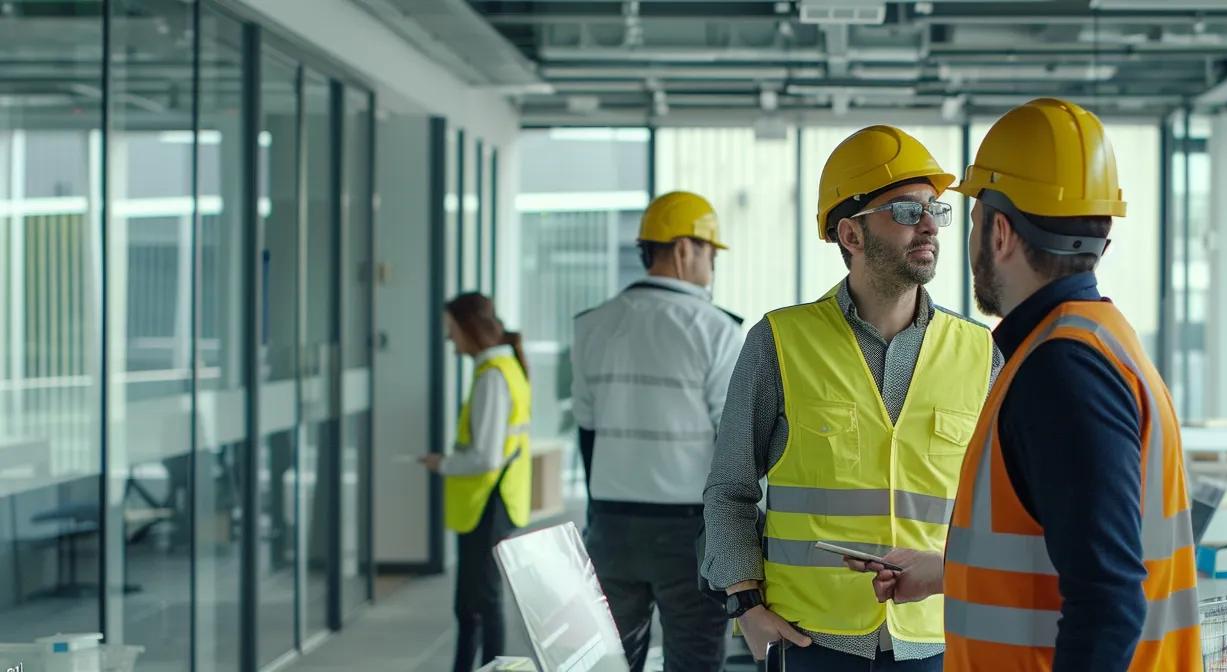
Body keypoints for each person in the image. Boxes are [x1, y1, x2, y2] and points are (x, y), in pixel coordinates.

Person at [843, 98, 1202, 671]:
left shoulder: (1064, 371)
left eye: (974, 217)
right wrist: (944, 572)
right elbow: (1052, 552)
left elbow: (1107, 602)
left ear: (1001, 233)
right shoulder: (1096, 340)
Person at [702, 125, 1002, 671]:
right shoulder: (779, 342)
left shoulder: (981, 352)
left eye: (934, 209)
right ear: (851, 235)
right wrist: (744, 605)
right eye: (907, 212)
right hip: (812, 642)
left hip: (938, 639)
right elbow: (730, 489)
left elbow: (1005, 505)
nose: (930, 225)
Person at [570, 191, 742, 672]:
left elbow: (586, 428)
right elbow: (733, 445)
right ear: (685, 249)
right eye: (710, 253)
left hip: (609, 526)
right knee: (694, 660)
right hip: (687, 532)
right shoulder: (715, 330)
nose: (711, 266)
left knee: (609, 660)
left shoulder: (592, 327)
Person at [422, 292, 533, 672]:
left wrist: (443, 464)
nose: (449, 338)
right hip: (494, 500)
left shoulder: (492, 377)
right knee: (472, 604)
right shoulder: (503, 368)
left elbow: (486, 455)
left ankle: (491, 667)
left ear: (468, 328)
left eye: (451, 329)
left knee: (480, 604)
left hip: (487, 501)